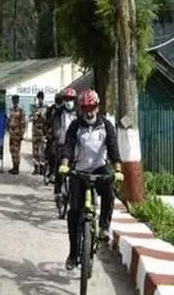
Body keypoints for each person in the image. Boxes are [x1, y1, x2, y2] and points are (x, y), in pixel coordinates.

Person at [58, 89, 123, 270]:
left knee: (109, 193)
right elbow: (68, 146)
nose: (89, 111)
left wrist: (117, 170)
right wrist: (65, 164)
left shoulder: (106, 126)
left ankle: (103, 227)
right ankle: (72, 253)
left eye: (92, 107)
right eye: (85, 108)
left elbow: (113, 150)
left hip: (99, 168)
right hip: (79, 170)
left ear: (97, 107)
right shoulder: (75, 126)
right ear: (81, 108)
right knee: (73, 212)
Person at [51, 87, 79, 200]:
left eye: (71, 99)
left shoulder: (78, 112)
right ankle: (57, 191)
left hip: (76, 145)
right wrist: (57, 135)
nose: (69, 102)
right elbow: (56, 126)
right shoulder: (59, 113)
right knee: (60, 167)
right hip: (62, 144)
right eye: (66, 99)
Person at [44, 91, 64, 180]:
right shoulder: (51, 109)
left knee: (60, 158)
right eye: (57, 100)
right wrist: (47, 133)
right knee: (51, 155)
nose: (58, 102)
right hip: (52, 137)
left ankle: (57, 175)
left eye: (60, 100)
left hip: (62, 137)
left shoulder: (65, 110)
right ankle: (51, 172)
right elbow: (46, 122)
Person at [30, 91, 49, 175]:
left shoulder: (46, 108)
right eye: (38, 98)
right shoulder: (34, 108)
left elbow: (48, 119)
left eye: (41, 98)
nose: (39, 100)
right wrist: (35, 115)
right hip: (35, 132)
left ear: (43, 98)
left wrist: (42, 115)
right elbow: (31, 118)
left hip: (43, 132)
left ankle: (42, 169)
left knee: (43, 151)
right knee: (35, 151)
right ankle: (35, 168)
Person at [6, 95, 26, 175]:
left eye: (16, 100)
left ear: (18, 101)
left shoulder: (21, 111)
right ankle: (14, 166)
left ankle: (16, 168)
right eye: (13, 100)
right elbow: (9, 121)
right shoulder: (11, 110)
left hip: (17, 134)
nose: (14, 101)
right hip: (11, 133)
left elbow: (23, 123)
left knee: (16, 151)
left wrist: (21, 134)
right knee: (12, 150)